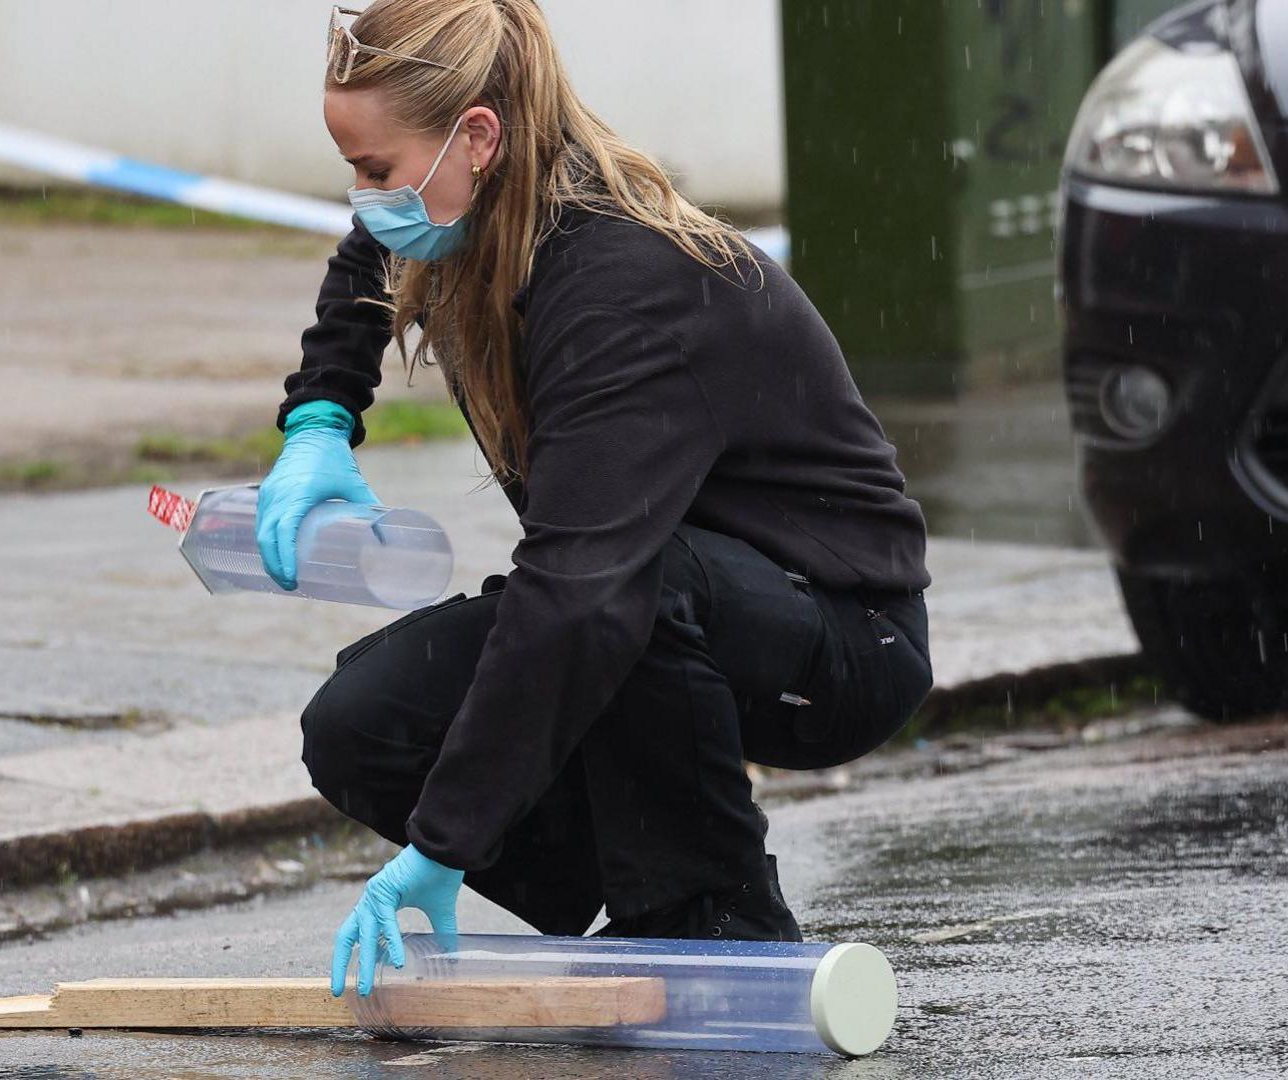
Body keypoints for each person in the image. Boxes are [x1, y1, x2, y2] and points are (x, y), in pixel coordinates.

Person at [260, 0, 933, 999]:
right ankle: (632, 887)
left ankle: (719, 924)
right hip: (656, 592)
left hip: (839, 634)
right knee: (364, 726)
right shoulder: (470, 210)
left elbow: (580, 588)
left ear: (477, 137)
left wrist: (444, 844)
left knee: (614, 598)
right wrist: (319, 417)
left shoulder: (619, 278)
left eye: (374, 171)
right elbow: (371, 255)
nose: (363, 201)